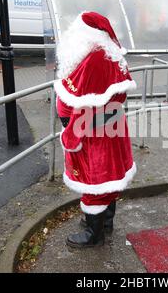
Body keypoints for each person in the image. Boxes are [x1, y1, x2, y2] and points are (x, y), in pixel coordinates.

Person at [54, 12, 137, 248]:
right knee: (108, 178)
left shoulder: (95, 59)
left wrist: (71, 136)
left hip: (93, 135)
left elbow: (86, 107)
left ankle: (94, 234)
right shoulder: (104, 53)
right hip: (106, 128)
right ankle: (104, 222)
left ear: (87, 34)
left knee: (96, 180)